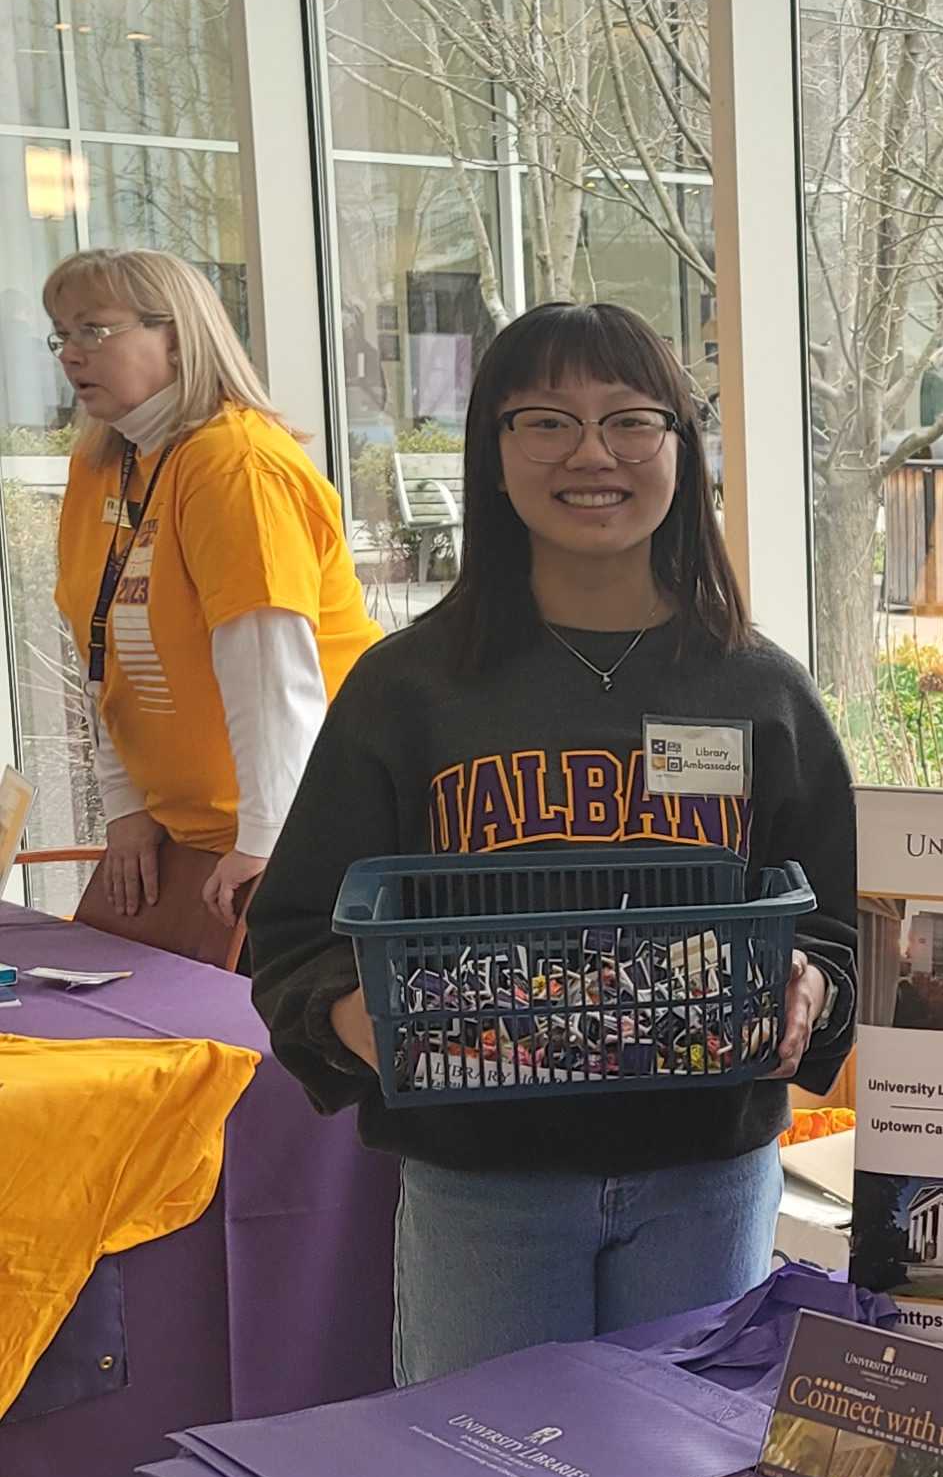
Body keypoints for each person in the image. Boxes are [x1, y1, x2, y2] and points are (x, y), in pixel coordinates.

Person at [247, 302, 858, 1381]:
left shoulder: (760, 692)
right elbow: (293, 937)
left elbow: (833, 933)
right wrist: (365, 1020)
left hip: (706, 1179)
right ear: (493, 450)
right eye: (545, 422)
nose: (591, 455)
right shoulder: (407, 691)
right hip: (484, 1188)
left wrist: (807, 987)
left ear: (681, 447)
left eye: (631, 421)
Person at [48, 249, 380, 940]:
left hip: (300, 837)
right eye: (60, 335)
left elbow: (273, 680)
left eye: (93, 331)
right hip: (191, 836)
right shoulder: (104, 462)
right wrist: (127, 807)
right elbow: (100, 654)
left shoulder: (236, 465)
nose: (70, 355)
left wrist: (265, 843)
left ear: (175, 334)